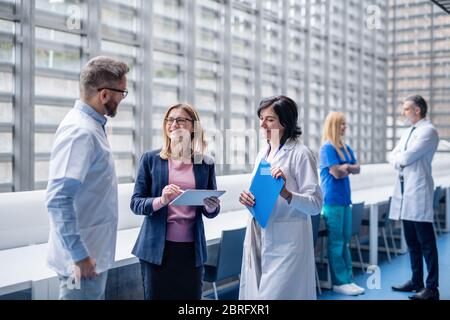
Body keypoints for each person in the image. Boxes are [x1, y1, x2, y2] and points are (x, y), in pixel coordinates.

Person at [46, 56, 129, 300]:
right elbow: (58, 199)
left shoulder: (92, 127)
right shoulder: (80, 131)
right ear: (104, 94)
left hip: (91, 258)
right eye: (121, 93)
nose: (122, 99)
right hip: (81, 264)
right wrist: (80, 255)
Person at [130, 103, 220, 300]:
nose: (173, 124)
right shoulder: (150, 159)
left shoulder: (205, 164)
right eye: (170, 120)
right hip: (156, 251)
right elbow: (136, 203)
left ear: (193, 127)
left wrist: (211, 206)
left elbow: (211, 210)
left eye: (180, 120)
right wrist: (161, 200)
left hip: (191, 251)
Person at [238, 95, 323, 300]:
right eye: (261, 118)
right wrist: (247, 198)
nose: (262, 124)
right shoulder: (263, 154)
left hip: (288, 242)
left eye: (270, 119)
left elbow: (315, 205)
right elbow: (258, 193)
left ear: (285, 121)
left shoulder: (301, 154)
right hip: (260, 234)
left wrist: (287, 193)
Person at [390, 95, 440, 300]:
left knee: (426, 242)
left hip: (418, 192)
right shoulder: (409, 132)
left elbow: (407, 157)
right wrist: (398, 160)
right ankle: (416, 281)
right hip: (405, 192)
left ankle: (432, 288)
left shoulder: (428, 131)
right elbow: (393, 156)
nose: (404, 113)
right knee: (411, 241)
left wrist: (399, 159)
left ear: (417, 110)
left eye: (407, 109)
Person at [319, 111, 364, 296]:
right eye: (342, 124)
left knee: (345, 240)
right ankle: (339, 281)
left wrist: (344, 167)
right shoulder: (327, 148)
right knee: (337, 242)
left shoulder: (344, 148)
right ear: (334, 126)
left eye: (345, 124)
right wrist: (346, 168)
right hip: (332, 201)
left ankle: (348, 279)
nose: (345, 127)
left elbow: (357, 168)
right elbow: (336, 173)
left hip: (345, 200)